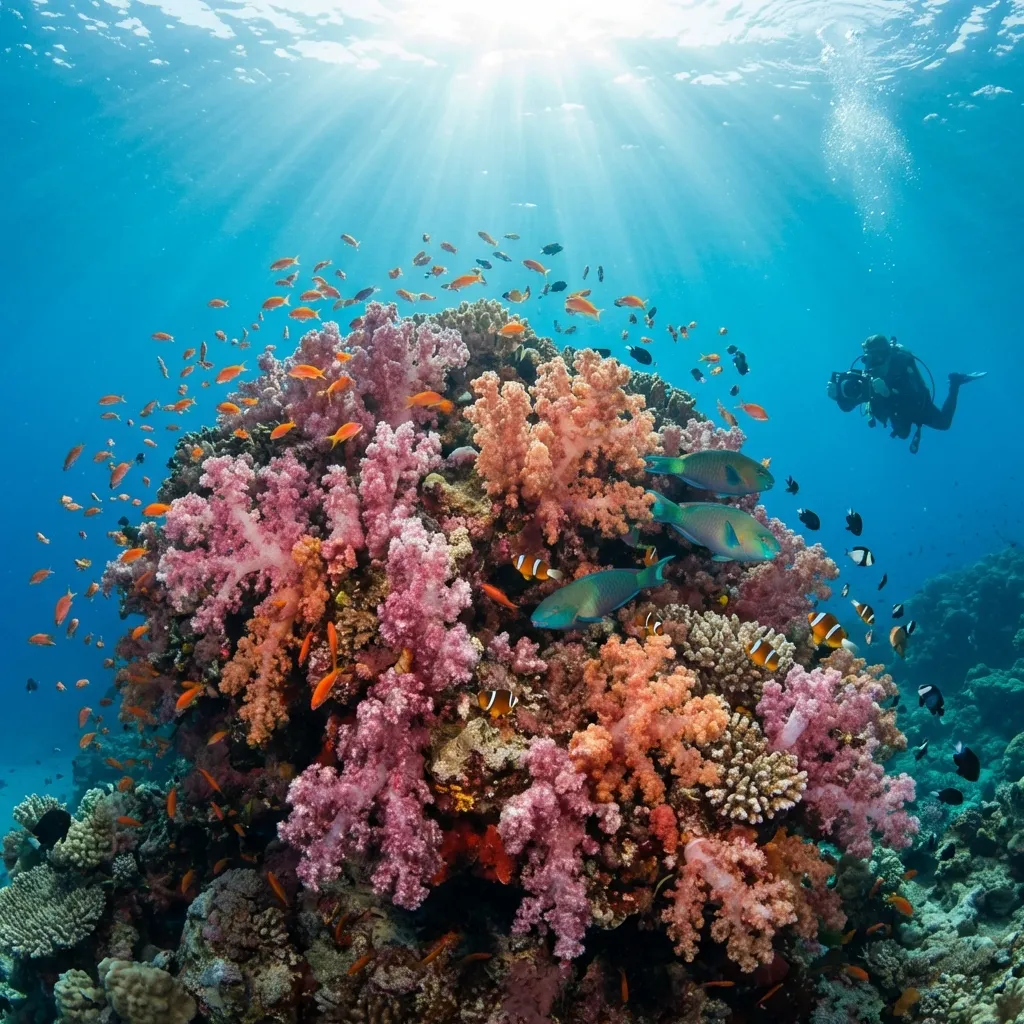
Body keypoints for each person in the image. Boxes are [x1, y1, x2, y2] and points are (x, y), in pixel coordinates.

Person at [827, 334, 985, 453]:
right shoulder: (866, 377)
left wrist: (888, 393)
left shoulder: (902, 365)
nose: (872, 366)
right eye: (867, 360)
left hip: (916, 404)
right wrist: (838, 397)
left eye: (877, 359)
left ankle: (955, 383)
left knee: (944, 423)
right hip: (893, 410)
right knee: (902, 433)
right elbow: (849, 405)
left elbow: (916, 398)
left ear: (887, 356)